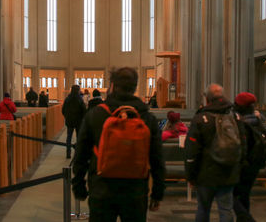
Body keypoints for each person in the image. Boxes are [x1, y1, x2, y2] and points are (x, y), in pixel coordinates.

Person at [72, 67, 165, 221]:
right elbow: (157, 158)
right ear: (134, 87)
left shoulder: (96, 114)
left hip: (102, 189)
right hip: (135, 191)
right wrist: (157, 193)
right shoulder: (147, 118)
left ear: (112, 86)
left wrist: (79, 186)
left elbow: (81, 153)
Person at [185, 83, 242, 222]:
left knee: (203, 209)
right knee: (226, 209)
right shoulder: (234, 117)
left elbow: (192, 150)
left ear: (207, 99)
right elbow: (242, 145)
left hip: (205, 174)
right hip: (228, 171)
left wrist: (190, 175)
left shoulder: (201, 119)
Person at [232, 91, 266, 222]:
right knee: (244, 196)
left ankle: (247, 219)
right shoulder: (257, 122)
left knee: (229, 194)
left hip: (243, 165)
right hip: (255, 166)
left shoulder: (240, 124)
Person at [62, 85, 87, 158]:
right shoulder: (80, 99)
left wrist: (67, 116)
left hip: (69, 121)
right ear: (78, 90)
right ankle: (78, 153)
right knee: (78, 137)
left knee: (69, 137)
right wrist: (82, 118)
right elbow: (84, 110)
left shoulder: (67, 99)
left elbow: (63, 110)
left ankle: (68, 153)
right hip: (78, 121)